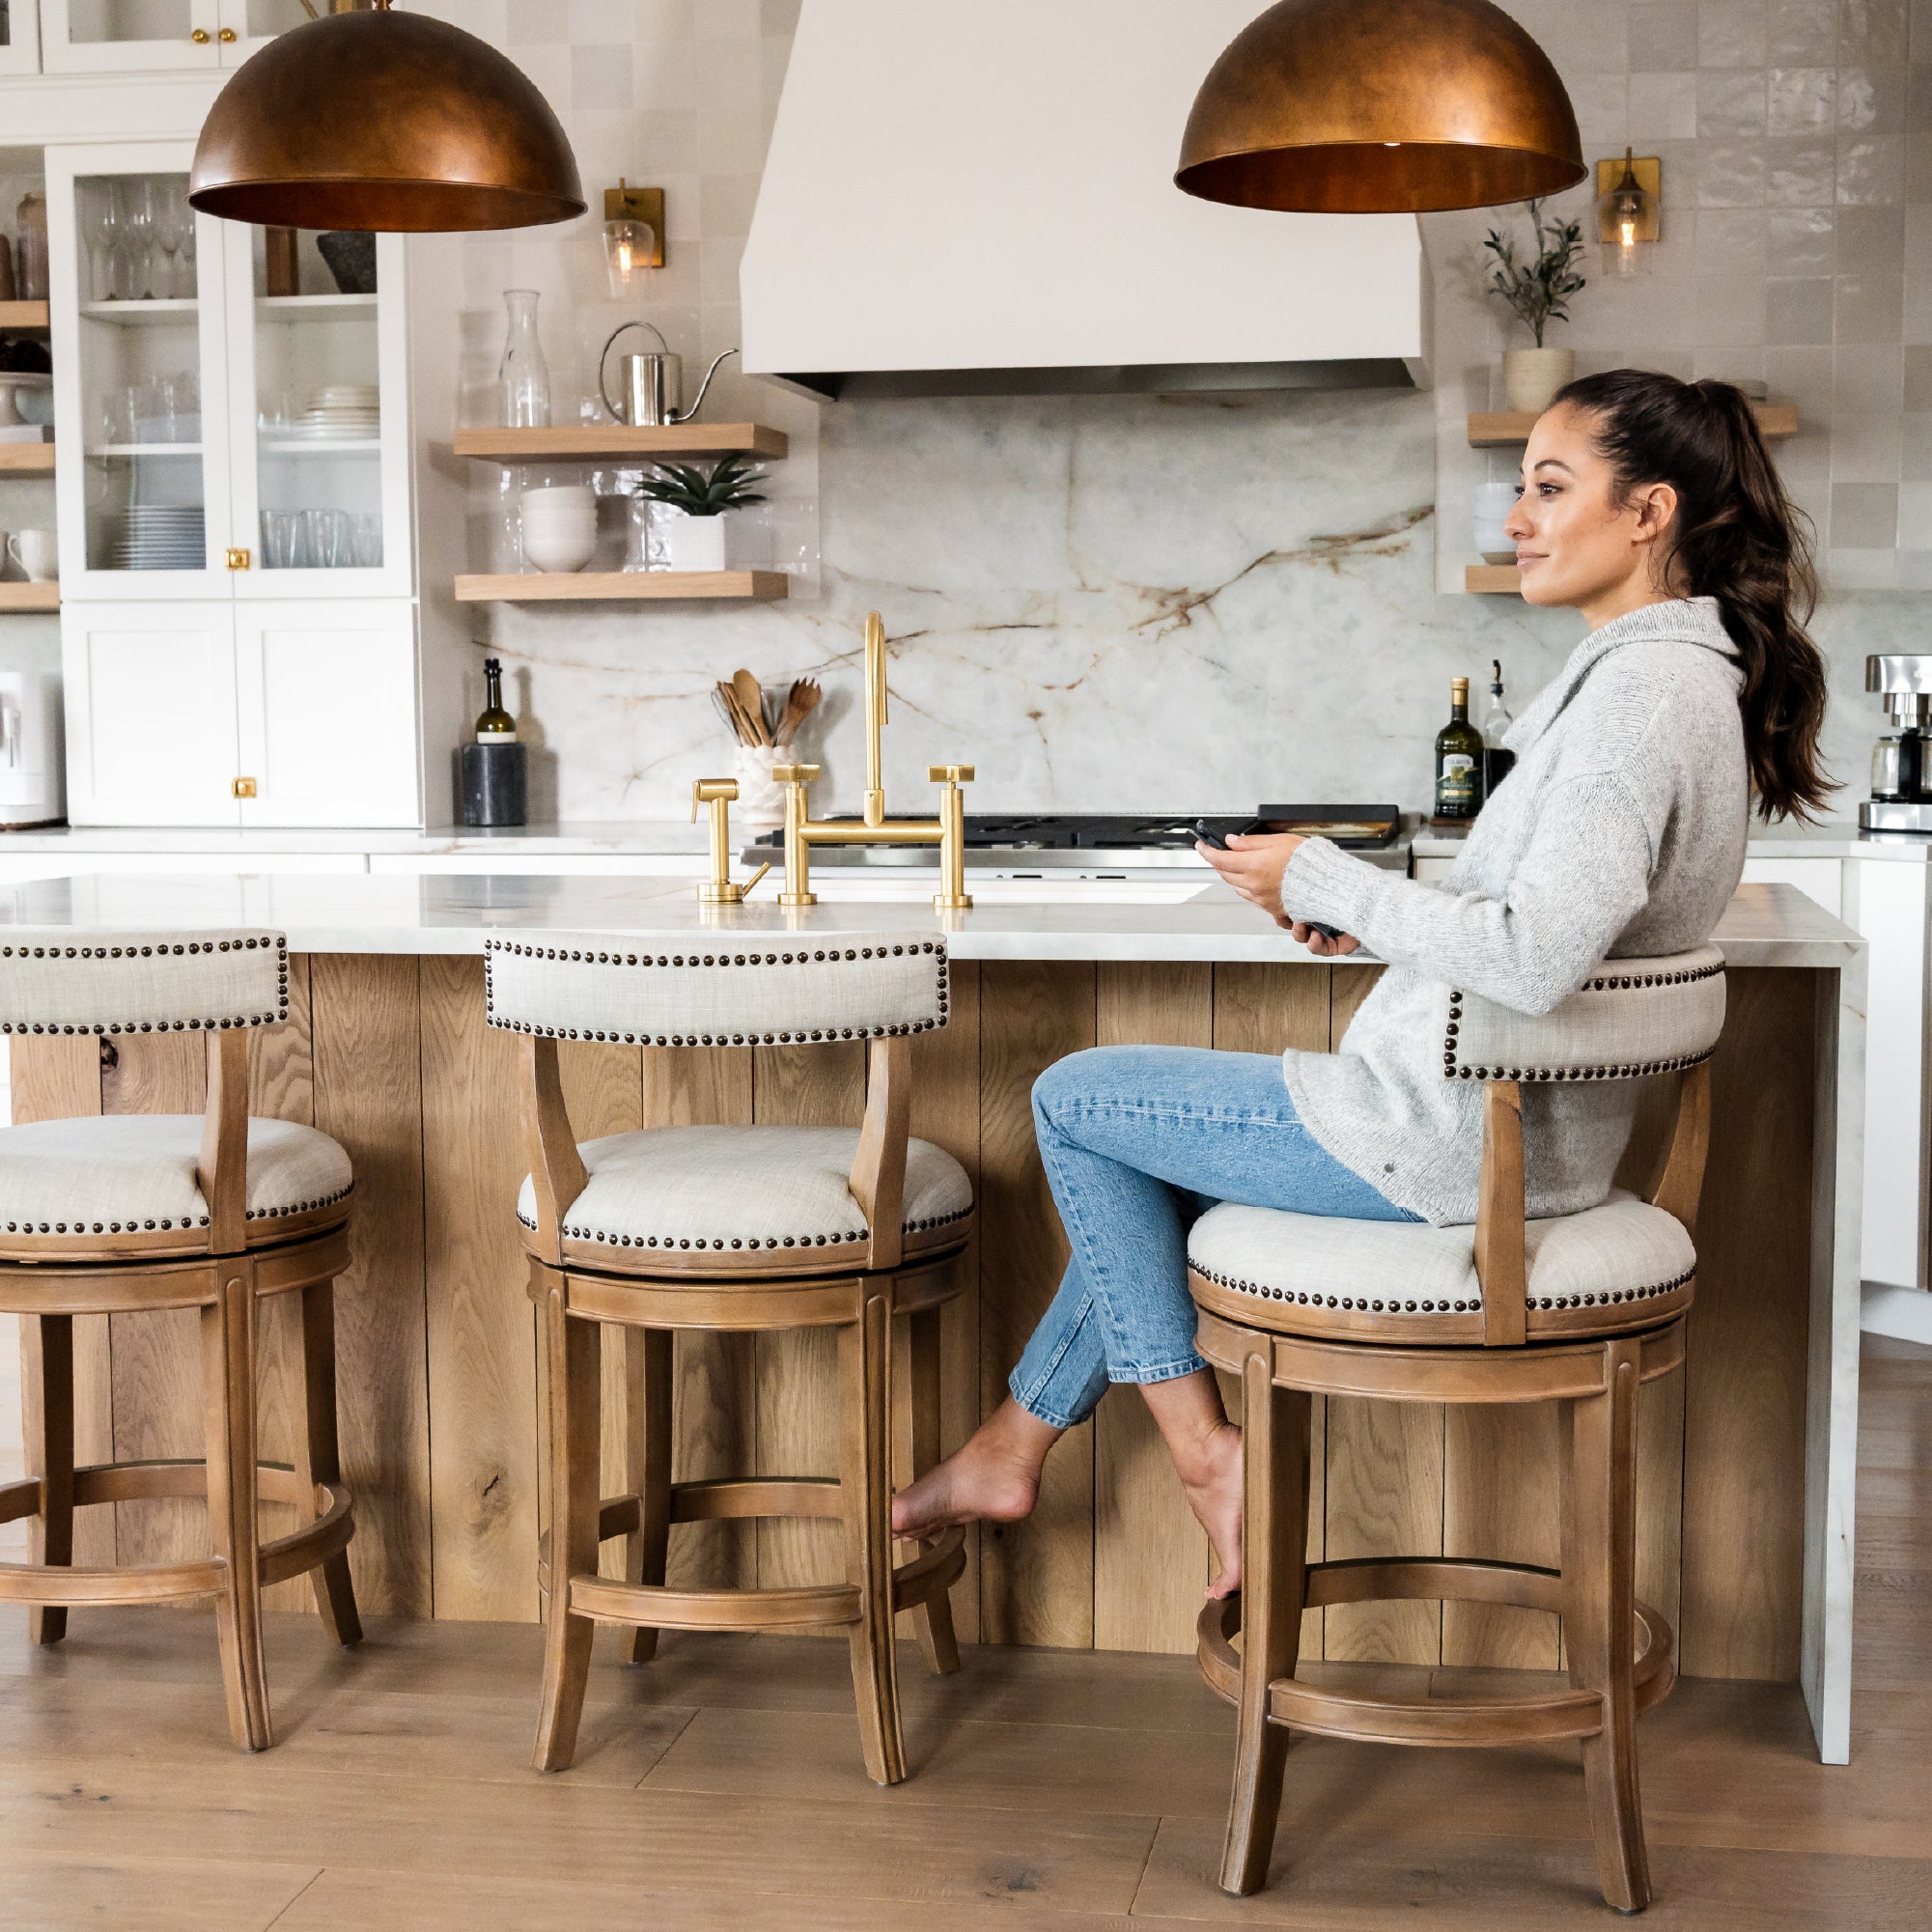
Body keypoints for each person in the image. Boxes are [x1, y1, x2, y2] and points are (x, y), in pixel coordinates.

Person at [892, 370, 1834, 1596]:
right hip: (1512, 1137)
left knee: (1077, 1100)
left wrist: (1330, 877)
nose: (1517, 518)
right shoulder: (1670, 678)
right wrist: (1371, 919)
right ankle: (1010, 1448)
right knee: (1144, 1159)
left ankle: (1203, 1456)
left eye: (1551, 488)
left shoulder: (1639, 701)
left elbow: (1535, 958)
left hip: (1454, 1143)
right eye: (1522, 488)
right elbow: (1536, 931)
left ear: (1649, 511)